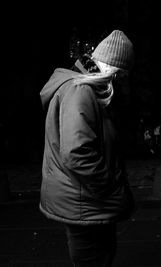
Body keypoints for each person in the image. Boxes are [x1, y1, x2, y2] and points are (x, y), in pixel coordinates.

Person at [39, 30, 135, 266]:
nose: (122, 80)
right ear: (113, 68)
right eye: (121, 73)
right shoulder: (81, 91)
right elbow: (77, 153)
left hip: (86, 201)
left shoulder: (85, 88)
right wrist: (108, 185)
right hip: (86, 202)